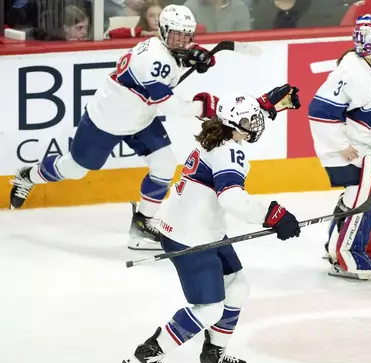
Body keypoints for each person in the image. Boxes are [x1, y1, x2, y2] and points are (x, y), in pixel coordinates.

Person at [122, 86, 302, 363]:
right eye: (251, 122)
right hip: (191, 239)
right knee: (210, 309)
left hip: (204, 231)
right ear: (235, 126)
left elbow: (239, 115)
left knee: (238, 288)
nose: (256, 126)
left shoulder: (219, 132)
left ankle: (213, 359)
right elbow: (233, 199)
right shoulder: (228, 152)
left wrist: (264, 106)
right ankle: (149, 354)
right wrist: (273, 214)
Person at [9, 5, 219, 251]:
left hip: (139, 119)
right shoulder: (155, 59)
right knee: (74, 169)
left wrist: (195, 54)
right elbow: (170, 106)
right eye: (176, 35)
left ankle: (141, 225)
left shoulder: (166, 49)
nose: (182, 41)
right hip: (106, 120)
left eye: (187, 35)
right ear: (163, 32)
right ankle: (28, 176)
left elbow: (179, 56)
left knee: (164, 164)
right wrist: (201, 107)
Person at [308, 14, 371, 280]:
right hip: (349, 146)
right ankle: (340, 254)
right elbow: (319, 112)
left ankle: (336, 245)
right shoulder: (350, 73)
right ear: (369, 47)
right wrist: (341, 145)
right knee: (358, 197)